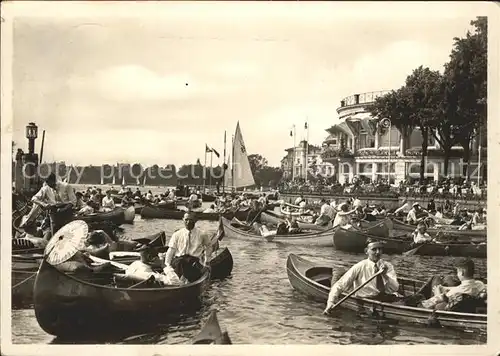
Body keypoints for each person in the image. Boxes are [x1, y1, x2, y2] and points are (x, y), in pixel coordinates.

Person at [324, 240, 400, 314]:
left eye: (380, 249)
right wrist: (330, 302)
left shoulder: (388, 266)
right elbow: (339, 285)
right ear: (366, 251)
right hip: (366, 300)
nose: (378, 252)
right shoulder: (360, 266)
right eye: (374, 249)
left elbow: (395, 288)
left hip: (383, 298)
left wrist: (384, 275)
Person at [419, 258, 486, 311]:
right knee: (442, 278)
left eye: (457, 271)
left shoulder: (455, 292)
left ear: (462, 272)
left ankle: (419, 295)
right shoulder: (480, 284)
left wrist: (437, 292)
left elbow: (439, 302)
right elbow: (465, 287)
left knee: (435, 279)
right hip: (466, 300)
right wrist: (446, 288)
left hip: (442, 306)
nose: (457, 274)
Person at [164, 212, 214, 283]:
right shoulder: (177, 234)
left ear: (195, 220)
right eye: (186, 219)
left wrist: (207, 261)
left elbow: (208, 246)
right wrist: (167, 265)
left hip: (193, 261)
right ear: (183, 220)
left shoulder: (202, 234)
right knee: (180, 262)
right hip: (179, 261)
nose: (188, 222)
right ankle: (178, 281)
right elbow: (171, 250)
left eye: (191, 220)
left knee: (189, 265)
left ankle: (182, 281)